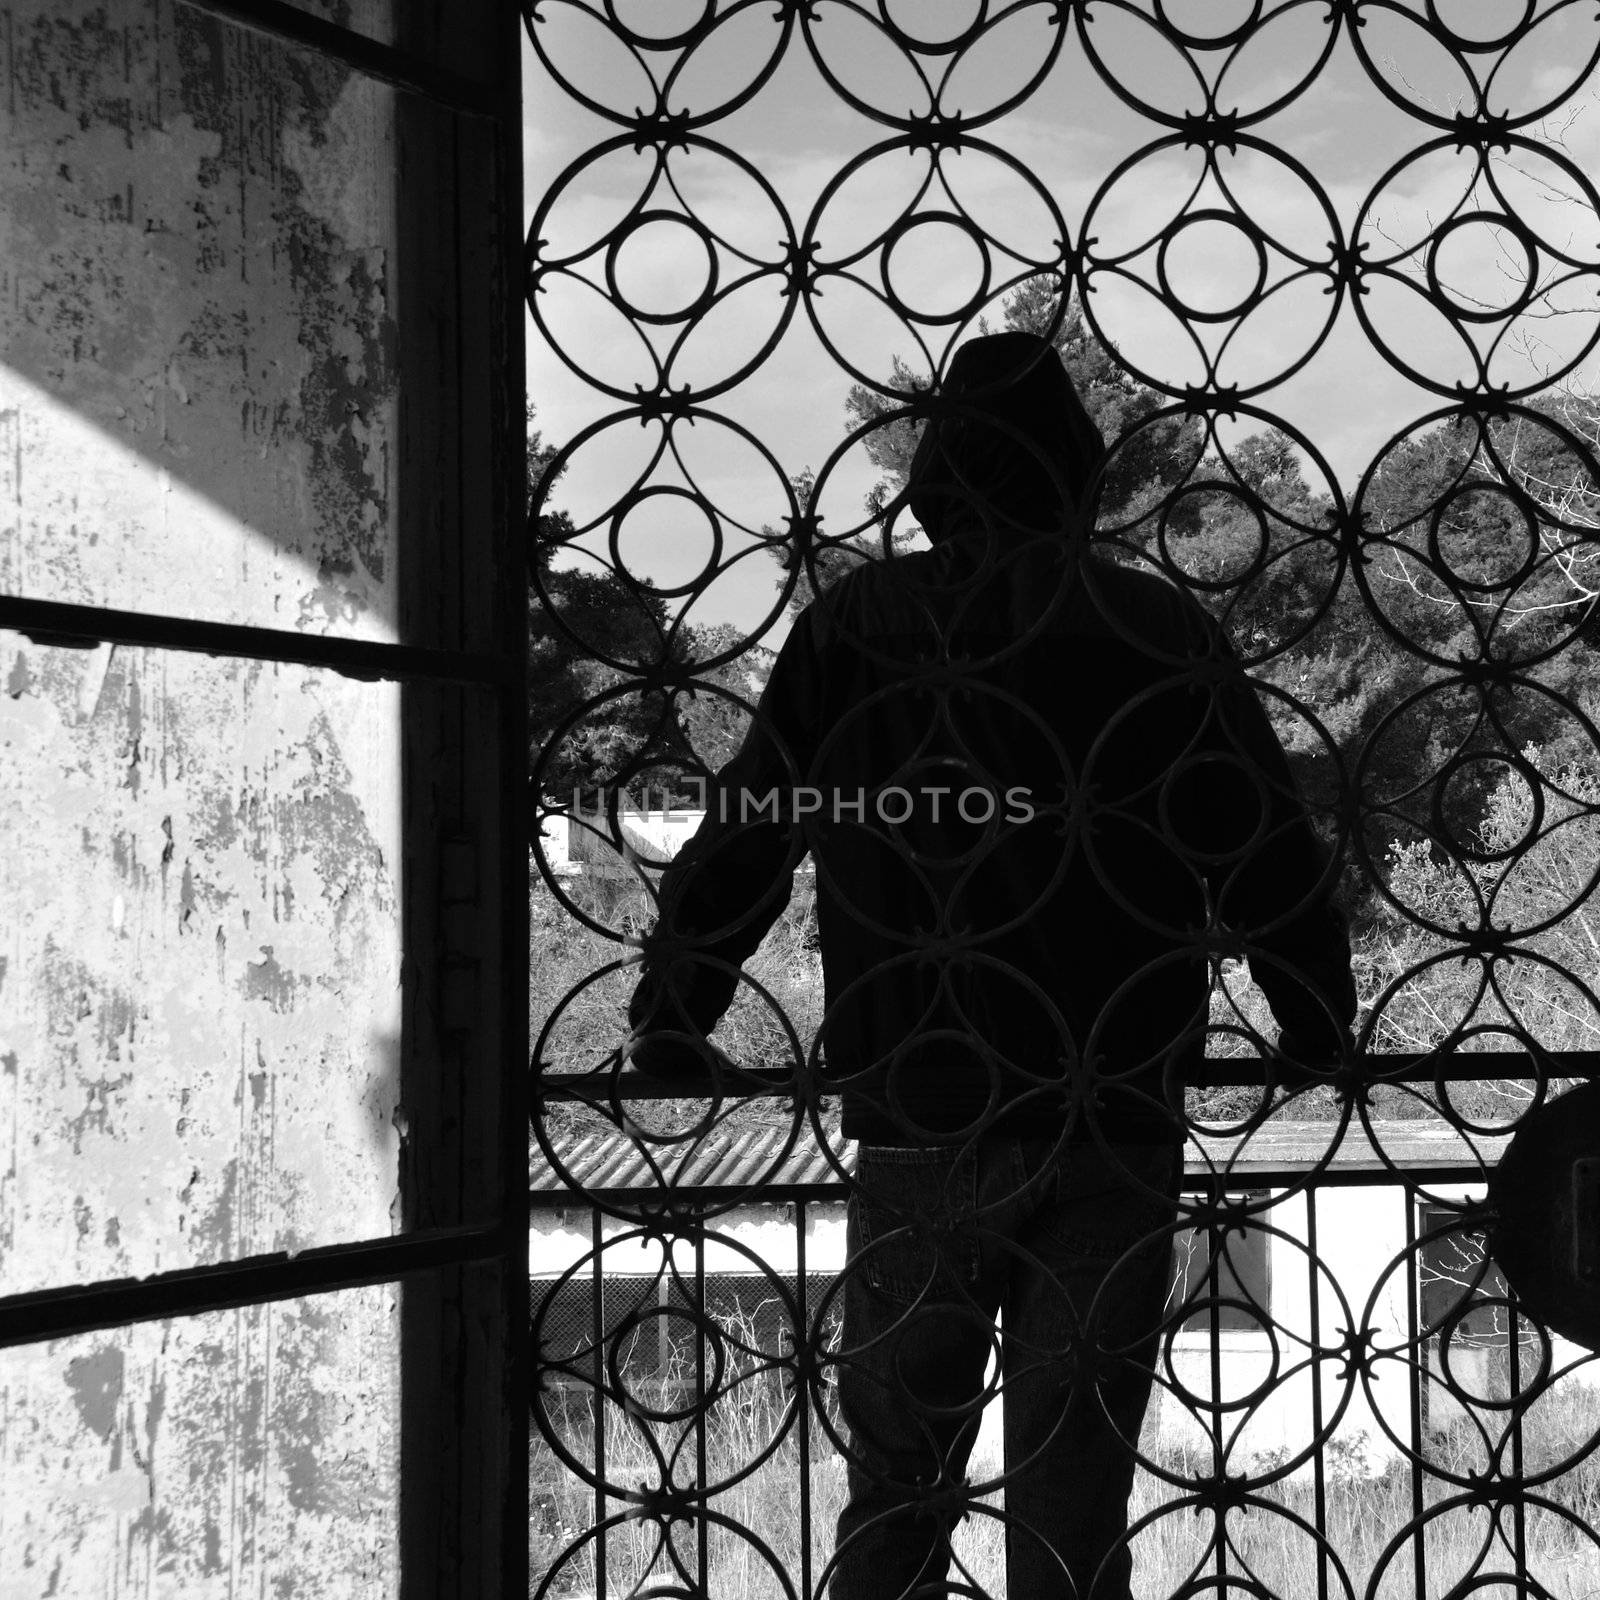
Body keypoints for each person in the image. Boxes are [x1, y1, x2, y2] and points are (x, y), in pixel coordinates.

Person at [625, 332, 1355, 1598]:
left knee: (897, 1492)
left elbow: (750, 832)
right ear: (1076, 475)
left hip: (924, 1107)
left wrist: (673, 1016)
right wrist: (1312, 1020)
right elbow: (1260, 848)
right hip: (1109, 1106)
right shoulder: (1149, 626)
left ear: (940, 475)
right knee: (1073, 1509)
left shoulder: (858, 627)